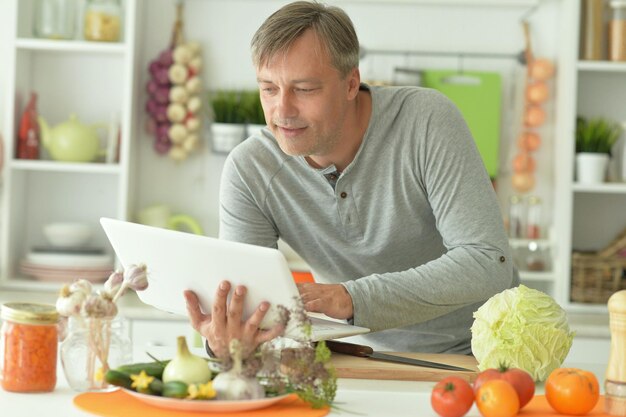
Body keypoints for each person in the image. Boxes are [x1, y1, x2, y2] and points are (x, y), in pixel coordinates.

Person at [185, 0, 518, 359]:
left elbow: (487, 262)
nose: (282, 111)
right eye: (269, 89)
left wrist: (351, 297)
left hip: (485, 352)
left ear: (351, 83)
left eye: (305, 89)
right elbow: (250, 303)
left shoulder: (426, 121)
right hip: (362, 357)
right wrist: (224, 341)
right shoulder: (250, 169)